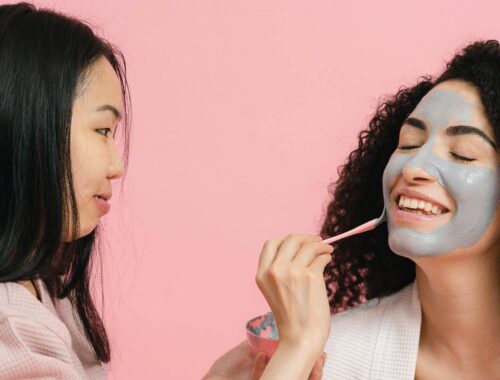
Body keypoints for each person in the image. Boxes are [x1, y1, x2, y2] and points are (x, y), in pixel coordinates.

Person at [204, 40, 500, 379]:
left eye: (463, 153)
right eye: (408, 144)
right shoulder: (319, 360)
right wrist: (297, 351)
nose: (413, 167)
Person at [0, 3, 130, 378]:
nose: (116, 166)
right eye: (102, 131)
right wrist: (298, 349)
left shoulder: (44, 286)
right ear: (29, 124)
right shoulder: (12, 327)